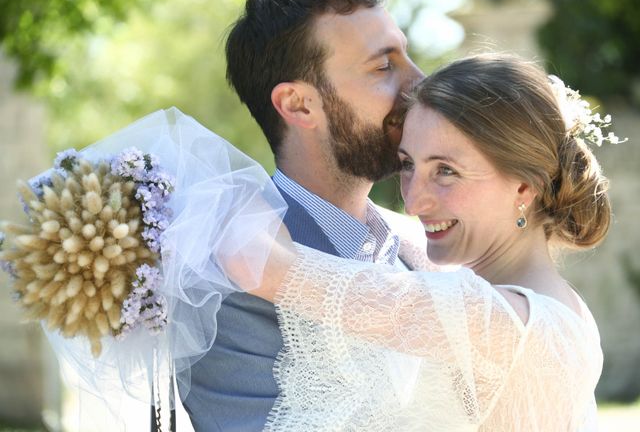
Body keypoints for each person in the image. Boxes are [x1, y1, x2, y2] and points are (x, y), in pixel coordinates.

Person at [223, 54, 609, 430]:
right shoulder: (560, 308)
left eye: (445, 171)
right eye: (408, 165)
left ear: (524, 186)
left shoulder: (493, 319)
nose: (413, 201)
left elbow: (258, 265)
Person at [181, 0, 425, 431]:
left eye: (407, 58)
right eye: (384, 66)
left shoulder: (416, 248)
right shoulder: (232, 284)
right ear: (298, 105)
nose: (420, 82)